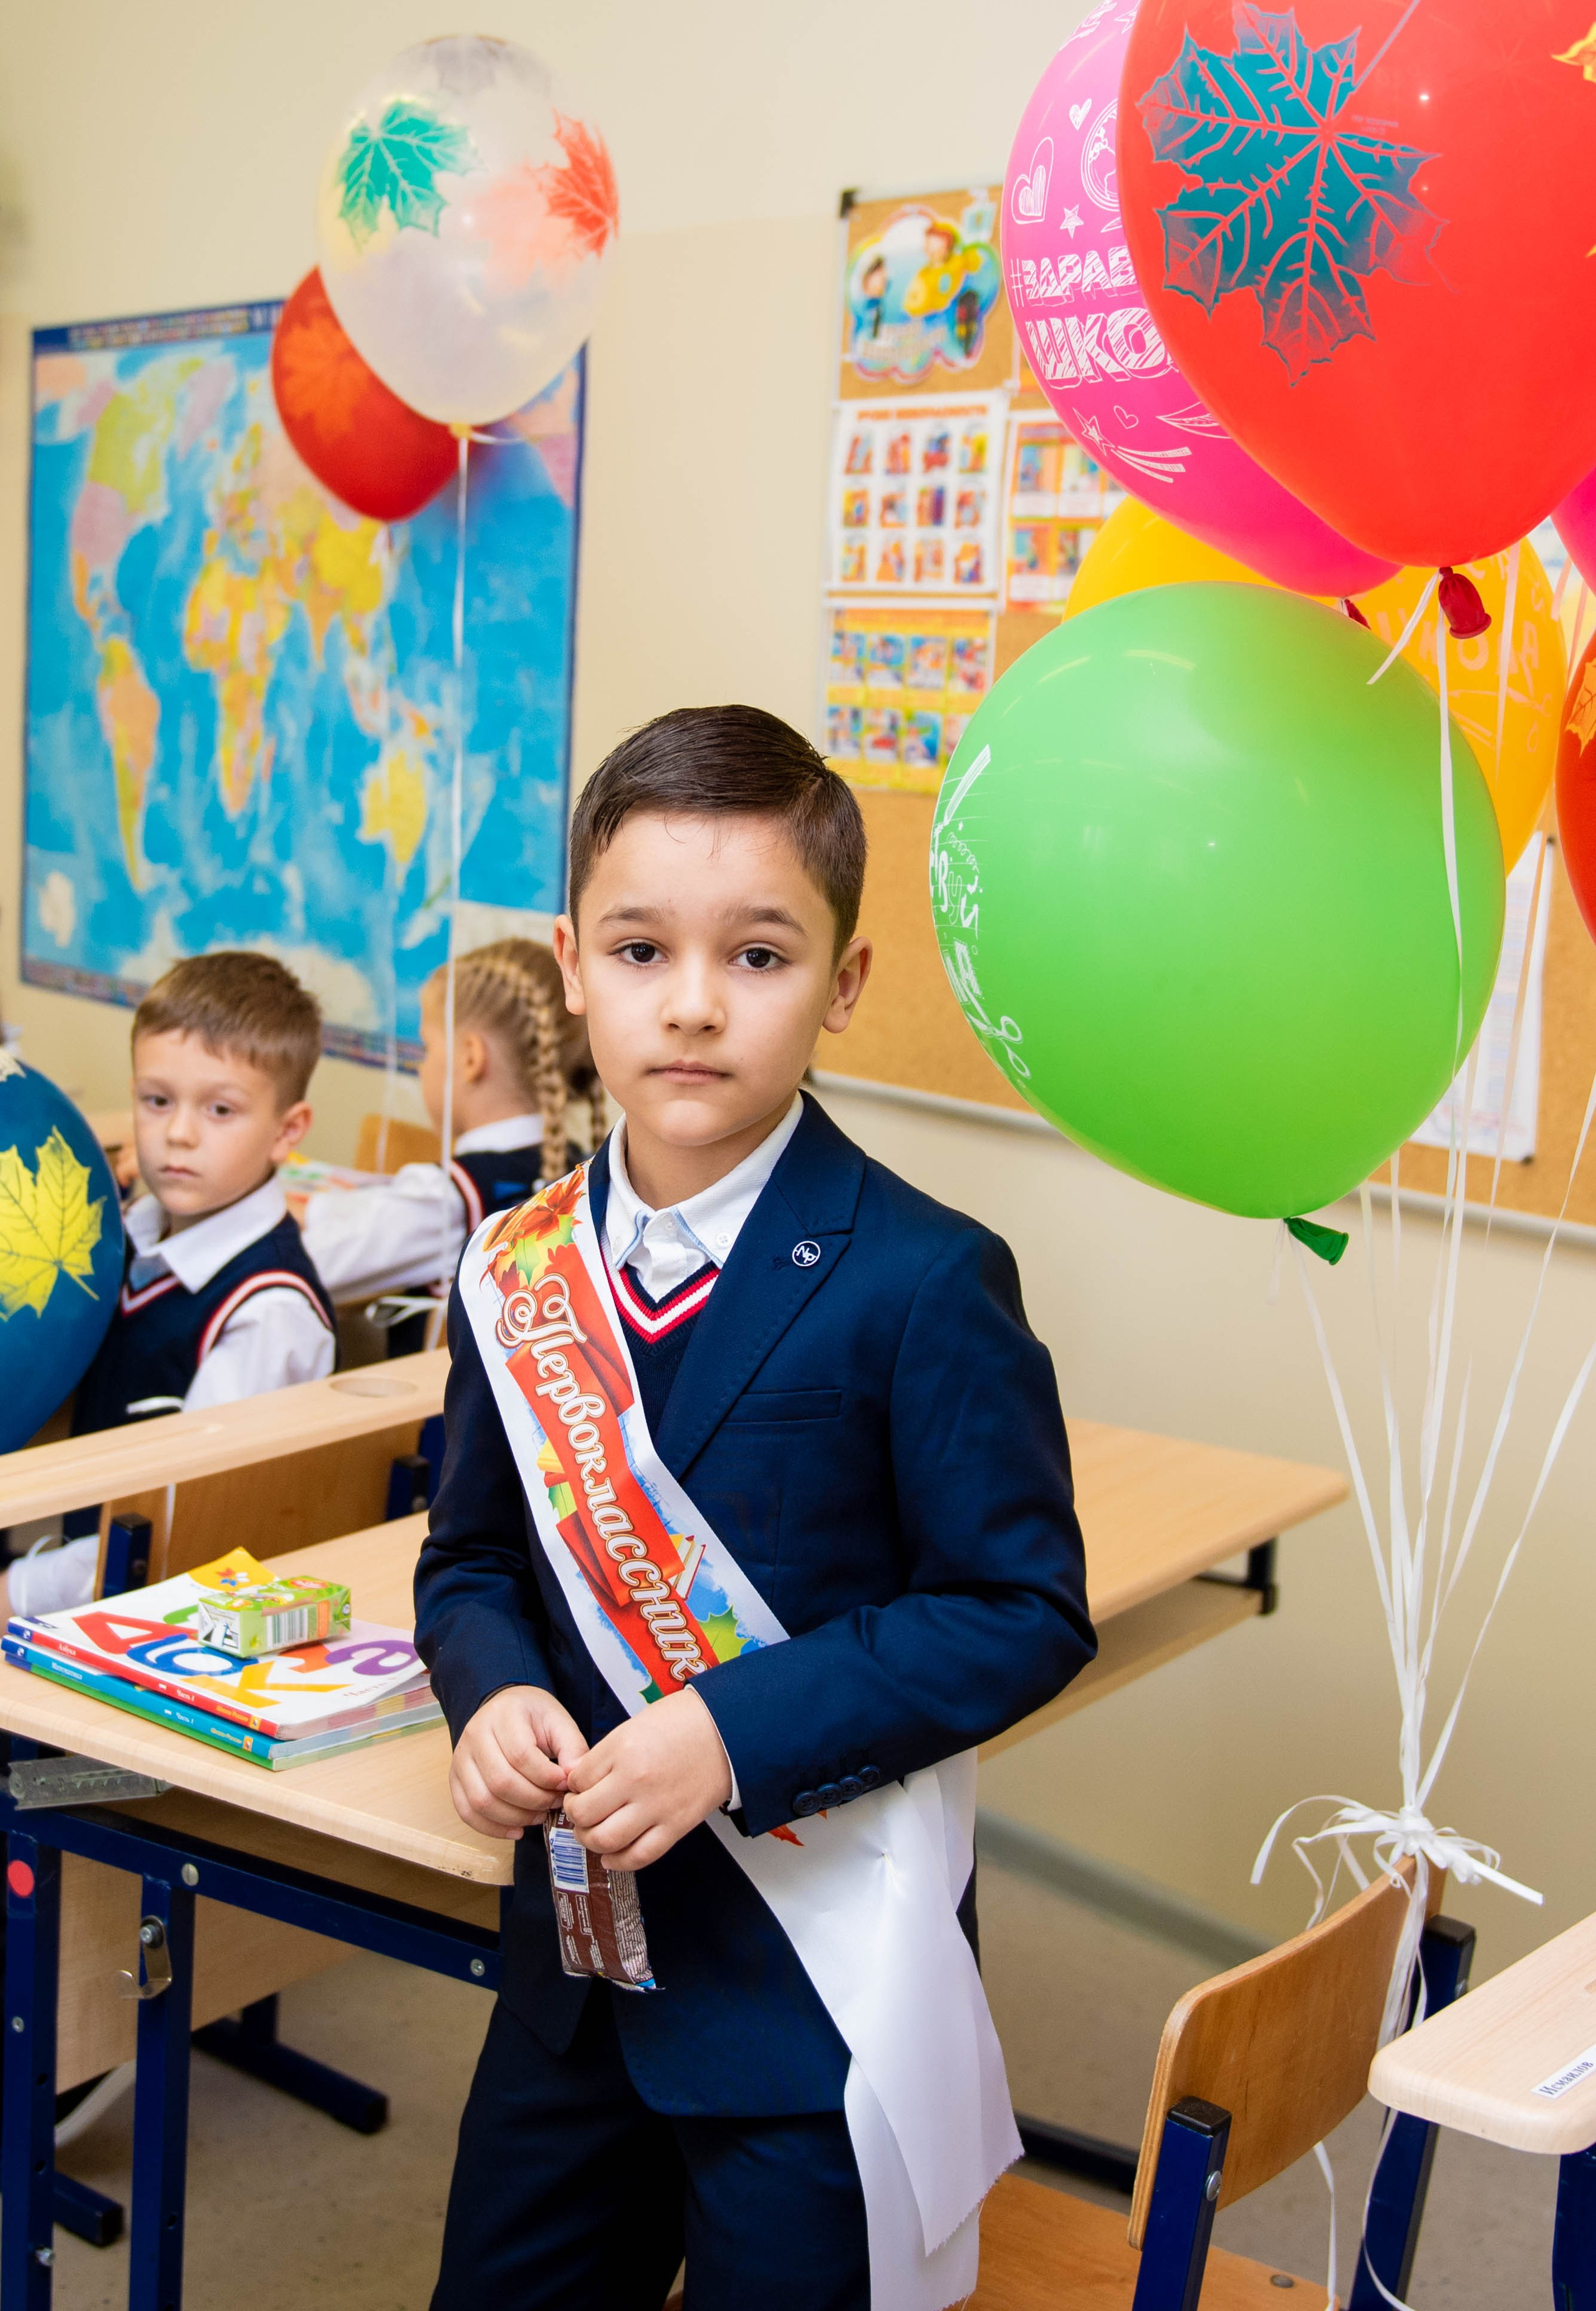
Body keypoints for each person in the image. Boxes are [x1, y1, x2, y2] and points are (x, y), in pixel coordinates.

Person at [415, 705, 1095, 2311]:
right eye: (642, 950)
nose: (695, 1004)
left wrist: (730, 1730)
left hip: (810, 1997)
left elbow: (1016, 1607)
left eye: (760, 954)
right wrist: (492, 1679)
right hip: (576, 1983)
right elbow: (469, 1554)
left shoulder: (925, 1275)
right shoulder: (515, 1269)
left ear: (842, 984)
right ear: (572, 962)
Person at [6, 951, 335, 1622]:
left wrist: (15, 1590)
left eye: (219, 1109)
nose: (178, 1134)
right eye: (157, 1101)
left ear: (287, 1131)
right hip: (66, 1573)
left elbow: (189, 1531)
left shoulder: (268, 1314)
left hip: (147, 1622)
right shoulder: (119, 1234)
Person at [300, 938, 603, 1351]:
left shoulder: (450, 1198)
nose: (423, 1066)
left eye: (428, 1047)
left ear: (470, 1058)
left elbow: (304, 1264)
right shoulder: (583, 1170)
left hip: (440, 1416)